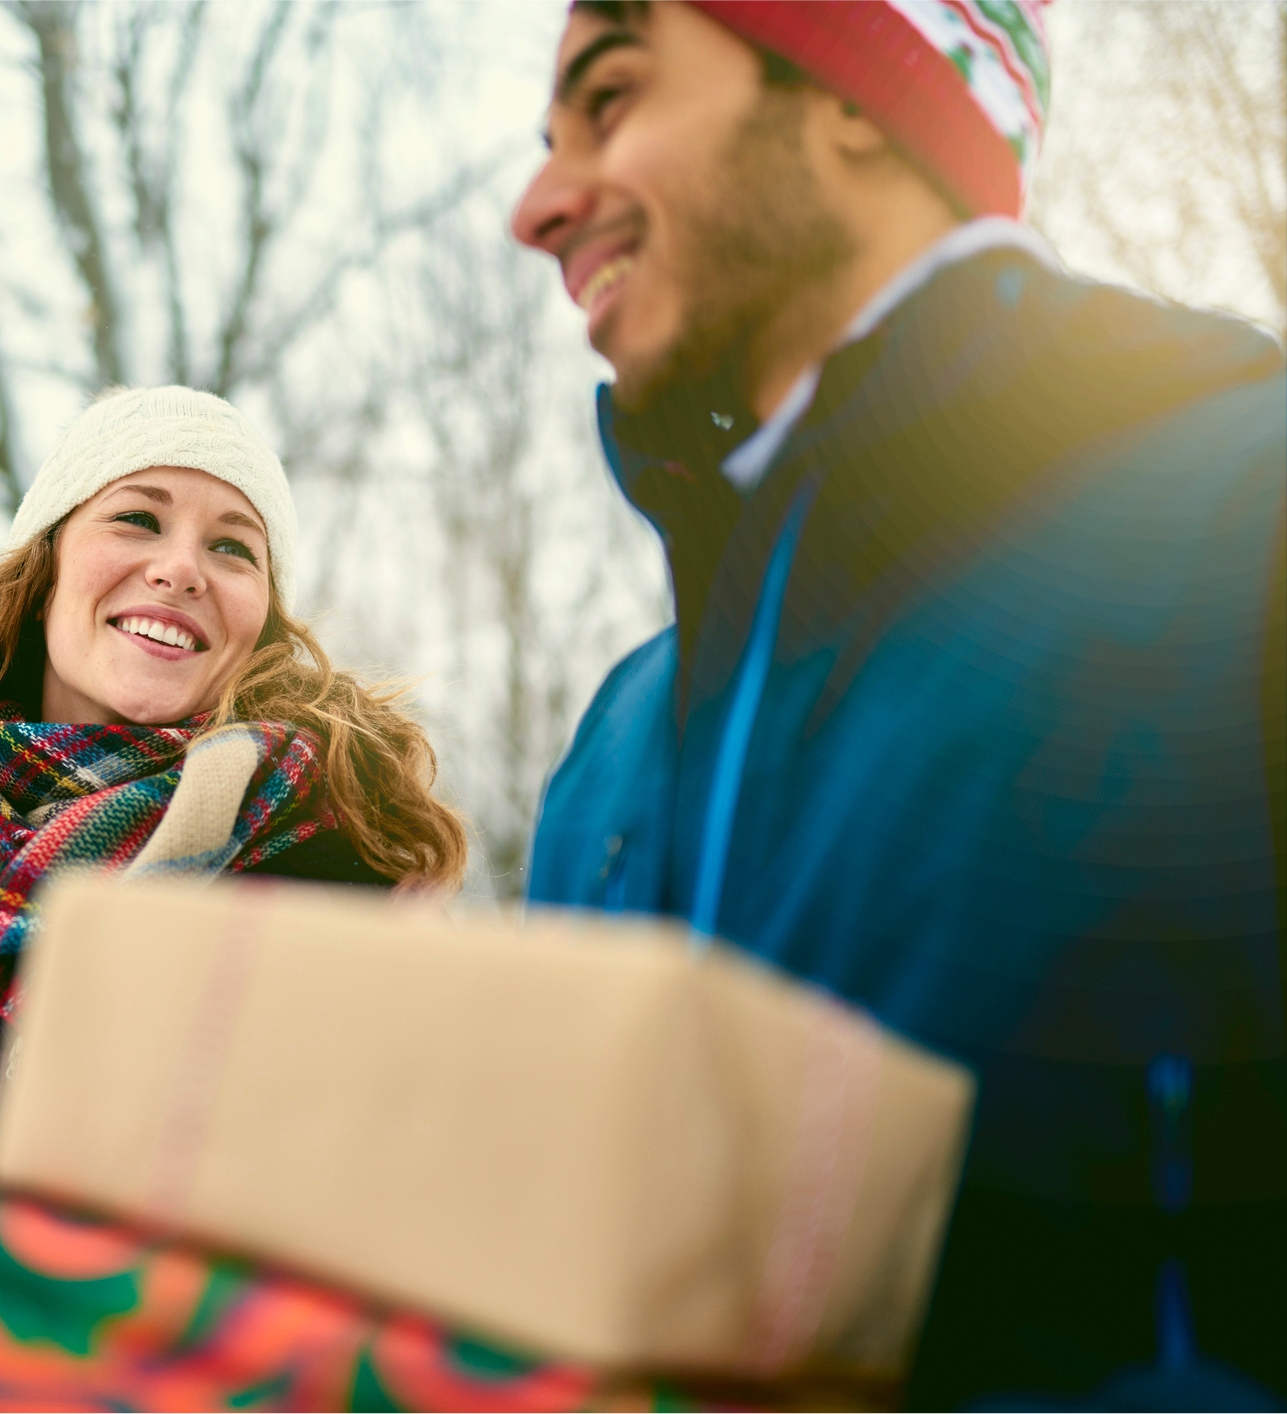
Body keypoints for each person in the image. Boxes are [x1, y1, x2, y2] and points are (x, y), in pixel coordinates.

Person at [511, 2, 1284, 1408]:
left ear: (858, 94)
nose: (536, 206)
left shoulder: (1245, 527)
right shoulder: (615, 749)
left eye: (609, 96)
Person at [0, 384, 467, 1180]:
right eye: (137, 518)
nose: (180, 569)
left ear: (262, 623)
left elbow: (411, 1205)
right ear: (45, 567)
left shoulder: (343, 868)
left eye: (234, 547)